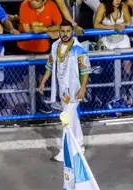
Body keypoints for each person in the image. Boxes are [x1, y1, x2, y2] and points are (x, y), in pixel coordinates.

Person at [37, 20, 91, 162]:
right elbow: (49, 65)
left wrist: (83, 88)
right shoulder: (55, 46)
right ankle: (79, 143)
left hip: (75, 88)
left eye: (68, 31)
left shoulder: (78, 49)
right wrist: (43, 81)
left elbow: (85, 70)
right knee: (72, 117)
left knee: (66, 119)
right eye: (63, 31)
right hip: (62, 89)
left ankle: (65, 150)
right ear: (59, 32)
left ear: (72, 32)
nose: (65, 34)